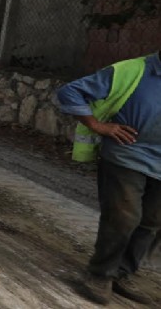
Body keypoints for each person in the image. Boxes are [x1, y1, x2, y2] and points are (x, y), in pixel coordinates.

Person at [56, 51, 161, 305]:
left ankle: (121, 274)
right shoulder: (131, 70)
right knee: (124, 217)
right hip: (127, 155)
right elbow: (70, 91)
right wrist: (98, 126)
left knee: (151, 223)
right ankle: (99, 275)